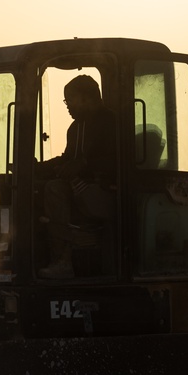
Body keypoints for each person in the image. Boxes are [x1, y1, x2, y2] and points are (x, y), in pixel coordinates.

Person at [36, 75, 118, 278]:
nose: (67, 106)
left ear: (86, 98)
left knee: (54, 189)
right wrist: (37, 168)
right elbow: (67, 160)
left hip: (107, 193)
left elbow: (119, 161)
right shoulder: (75, 129)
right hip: (81, 190)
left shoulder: (112, 123)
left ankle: (62, 261)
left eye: (69, 100)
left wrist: (83, 165)